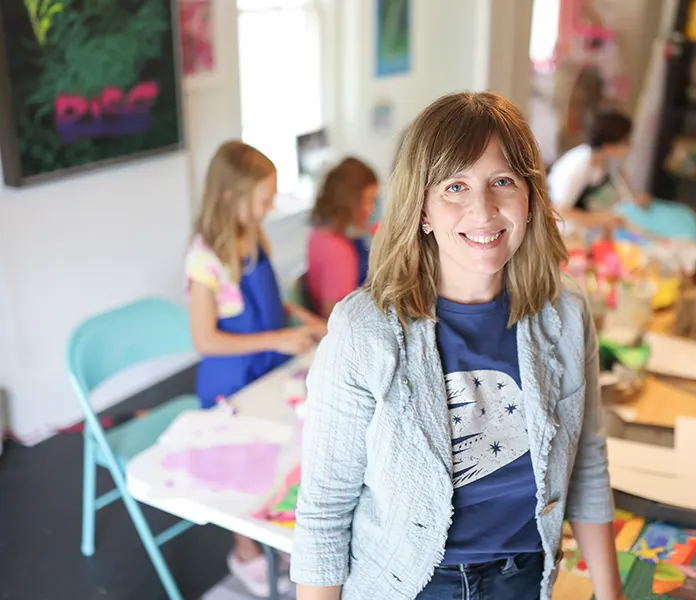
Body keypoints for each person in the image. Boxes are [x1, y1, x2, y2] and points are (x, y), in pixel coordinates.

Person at [291, 92, 623, 600]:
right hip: (407, 586)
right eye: (455, 186)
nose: (483, 210)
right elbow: (324, 510)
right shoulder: (366, 331)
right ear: (422, 210)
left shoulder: (566, 312)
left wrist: (610, 593)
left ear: (530, 197)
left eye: (502, 182)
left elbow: (588, 462)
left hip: (525, 578)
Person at [185, 140, 324, 597]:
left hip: (268, 367)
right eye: (264, 200)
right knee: (245, 469)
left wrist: (301, 319)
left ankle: (269, 531)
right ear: (230, 195)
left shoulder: (253, 236)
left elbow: (266, 301)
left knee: (285, 455)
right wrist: (278, 338)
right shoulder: (204, 257)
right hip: (232, 382)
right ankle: (244, 550)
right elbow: (205, 339)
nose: (269, 208)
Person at [547, 109, 648, 232]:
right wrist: (602, 219)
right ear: (609, 145)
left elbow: (620, 177)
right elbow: (561, 210)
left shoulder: (606, 158)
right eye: (626, 142)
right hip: (557, 225)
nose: (630, 146)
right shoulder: (579, 164)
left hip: (580, 215)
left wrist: (633, 198)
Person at [303, 157, 378, 318]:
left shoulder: (319, 234)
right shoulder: (338, 252)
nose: (372, 209)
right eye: (369, 200)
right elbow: (335, 317)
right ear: (351, 201)